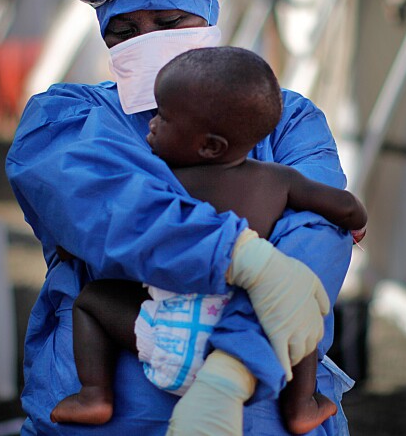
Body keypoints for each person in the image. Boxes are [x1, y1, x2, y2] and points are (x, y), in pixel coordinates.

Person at [6, 0, 355, 435]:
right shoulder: (62, 119)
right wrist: (247, 259)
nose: (145, 40)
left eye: (169, 22)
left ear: (210, 10)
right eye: (123, 30)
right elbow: (114, 217)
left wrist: (230, 368)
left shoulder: (287, 117)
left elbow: (318, 243)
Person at [50, 46, 367, 434]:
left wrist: (71, 243)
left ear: (210, 145)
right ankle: (301, 404)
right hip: (251, 351)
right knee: (300, 311)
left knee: (92, 301)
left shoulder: (159, 182)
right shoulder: (279, 180)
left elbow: (110, 226)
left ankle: (95, 393)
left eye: (163, 117)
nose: (150, 124)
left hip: (166, 337)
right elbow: (345, 206)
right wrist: (354, 222)